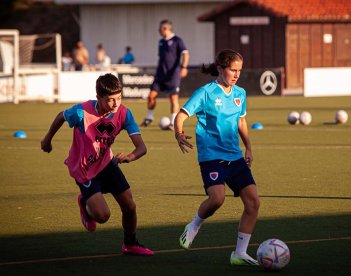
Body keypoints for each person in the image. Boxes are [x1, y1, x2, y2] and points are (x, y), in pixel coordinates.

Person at [40, 73, 154, 256]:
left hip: (107, 163)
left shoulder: (124, 113)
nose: (116, 104)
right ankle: (84, 202)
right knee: (102, 216)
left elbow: (141, 147)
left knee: (130, 206)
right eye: (110, 100)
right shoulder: (81, 112)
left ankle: (130, 244)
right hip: (84, 170)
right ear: (98, 97)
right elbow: (61, 116)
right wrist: (47, 140)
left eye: (119, 98)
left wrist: (130, 157)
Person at [174, 49, 260, 266]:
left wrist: (248, 147)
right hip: (211, 156)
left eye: (239, 70)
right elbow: (181, 115)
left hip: (235, 157)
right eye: (233, 69)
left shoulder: (240, 93)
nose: (237, 74)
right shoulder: (206, 93)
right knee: (217, 198)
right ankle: (193, 226)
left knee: (253, 203)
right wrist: (179, 133)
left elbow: (241, 122)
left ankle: (239, 253)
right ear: (221, 69)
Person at [140, 19, 190, 129]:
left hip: (173, 75)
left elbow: (185, 54)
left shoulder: (177, 40)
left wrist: (184, 67)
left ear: (165, 28)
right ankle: (149, 117)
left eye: (160, 28)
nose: (159, 30)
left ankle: (173, 122)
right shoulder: (161, 42)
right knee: (151, 96)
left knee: (173, 99)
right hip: (160, 75)